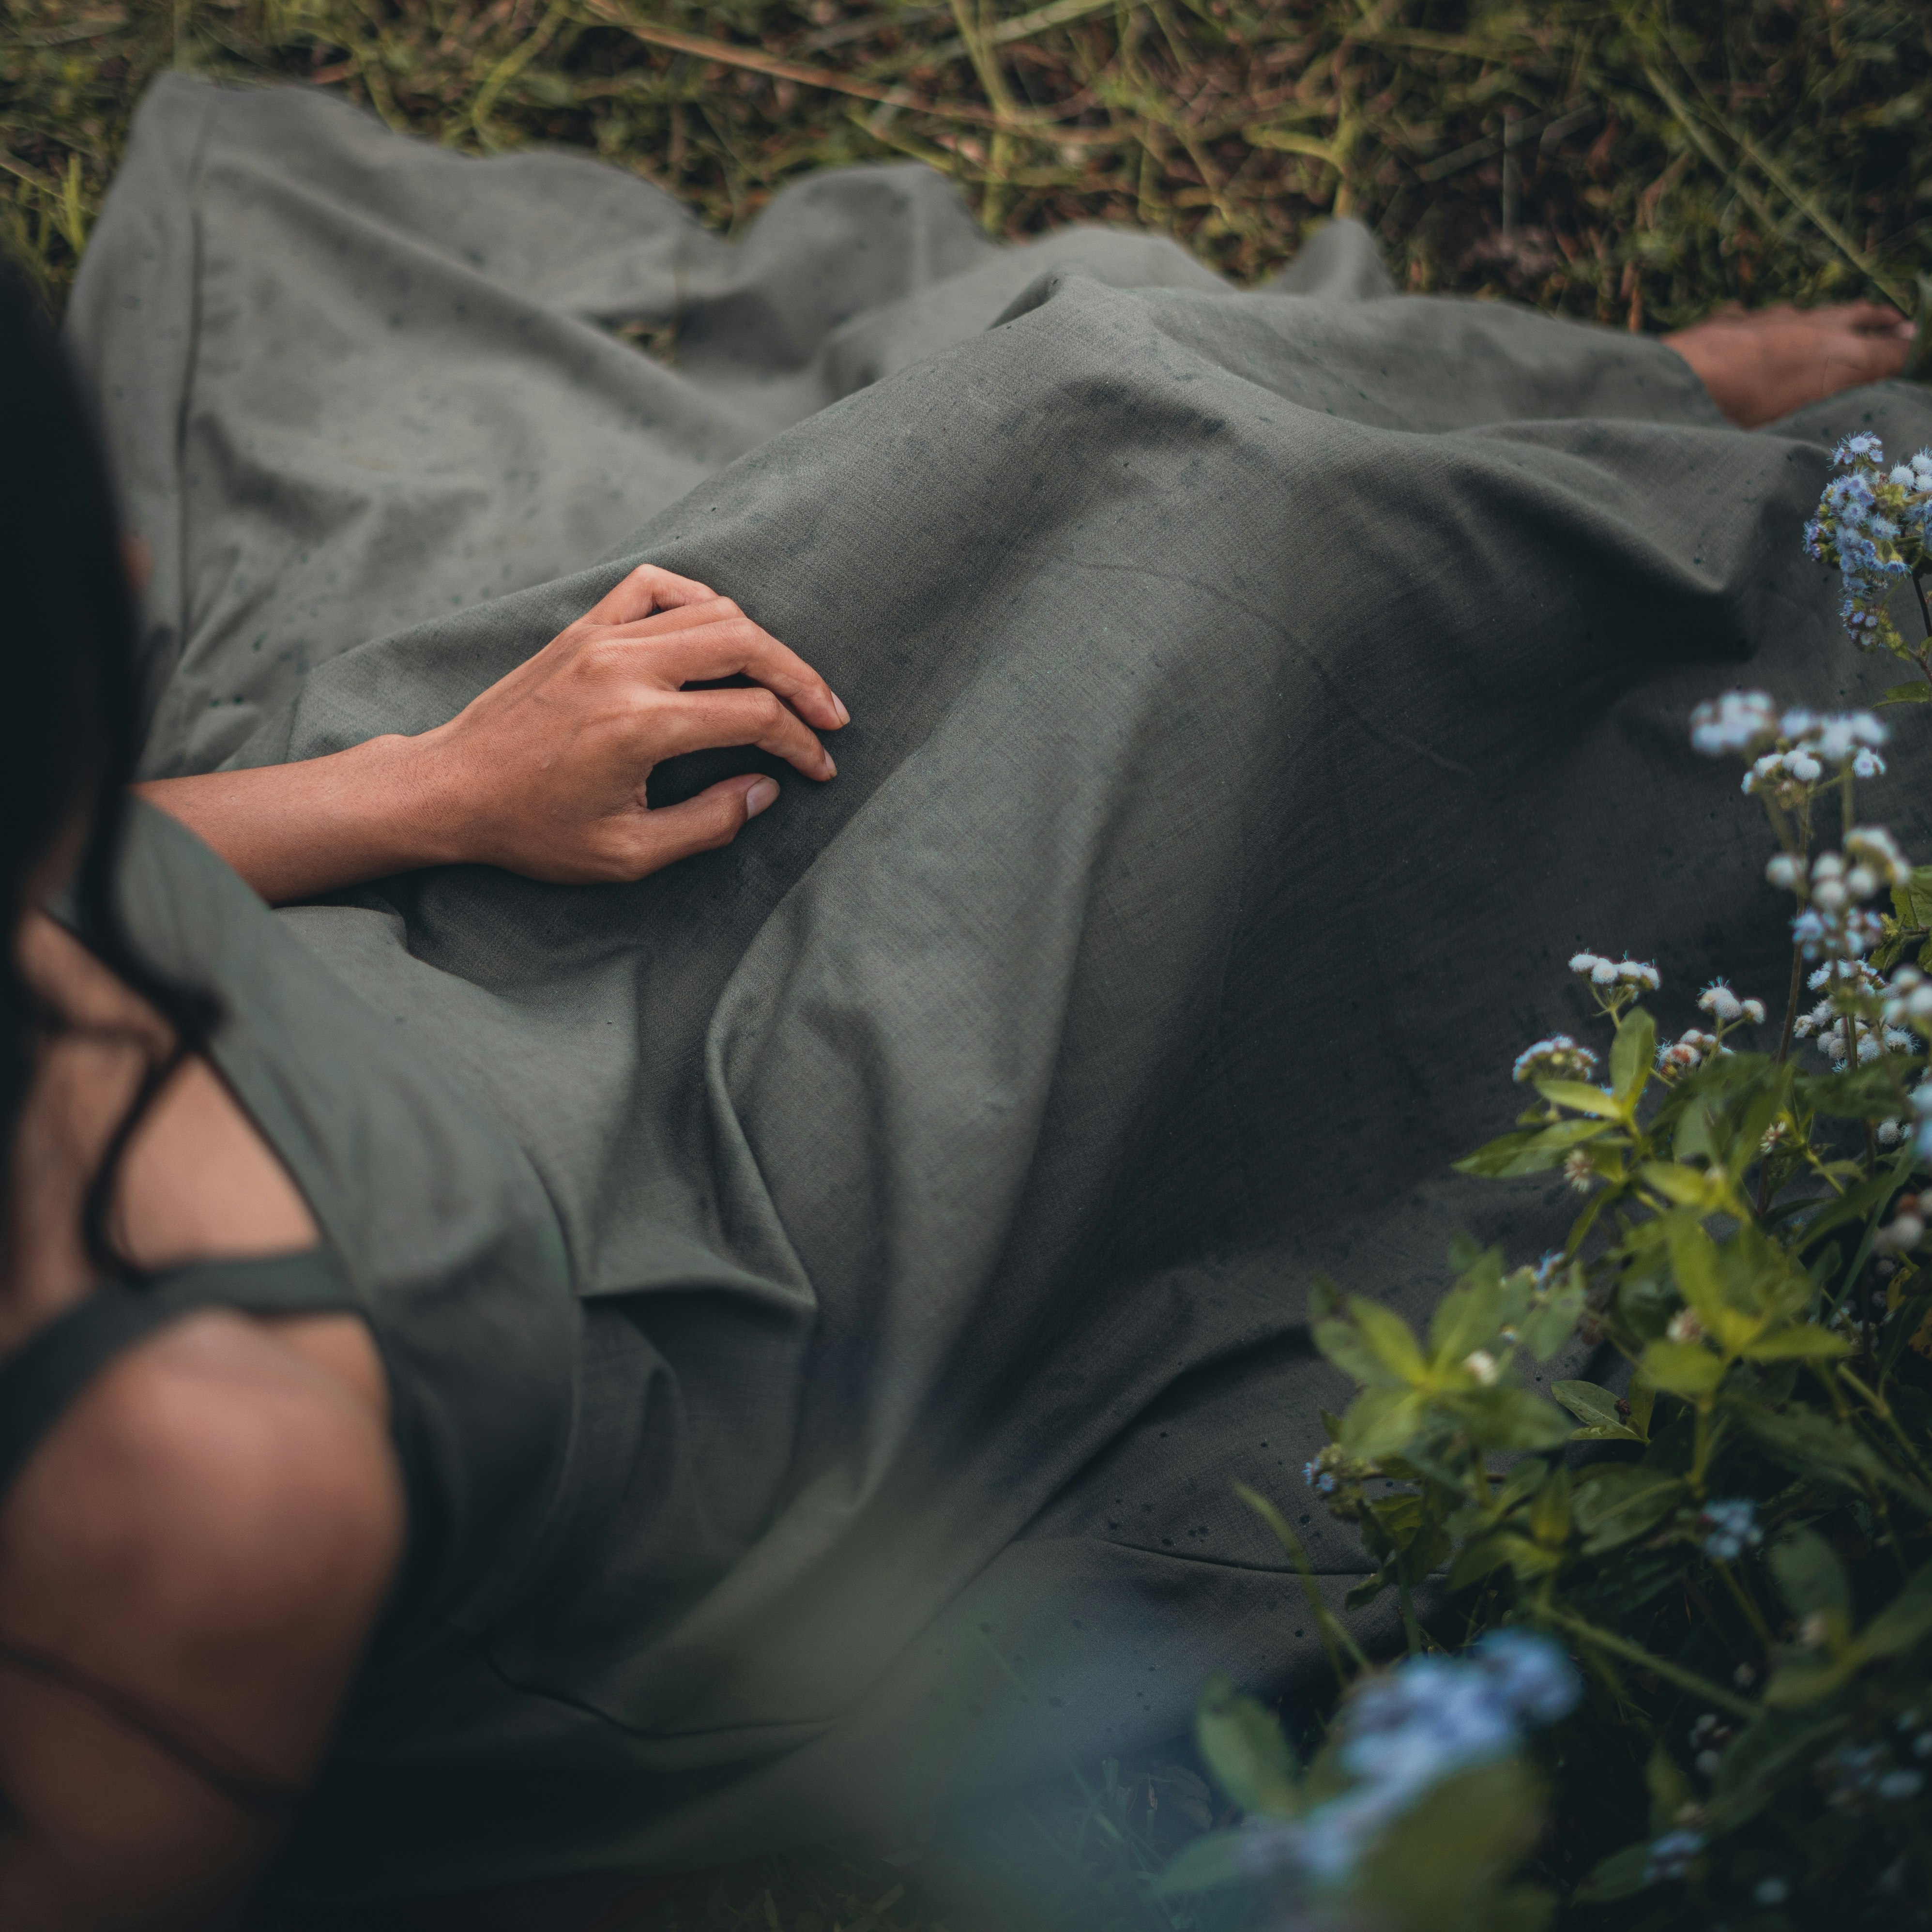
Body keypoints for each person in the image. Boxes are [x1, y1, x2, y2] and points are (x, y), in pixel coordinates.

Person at [2, 71, 1925, 1931]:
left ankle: (1604, 430)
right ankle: (1754, 555)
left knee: (1077, 413)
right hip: (688, 1269)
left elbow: (74, 856)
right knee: (1207, 574)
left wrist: (432, 780)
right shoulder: (205, 1470)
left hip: (397, 909)